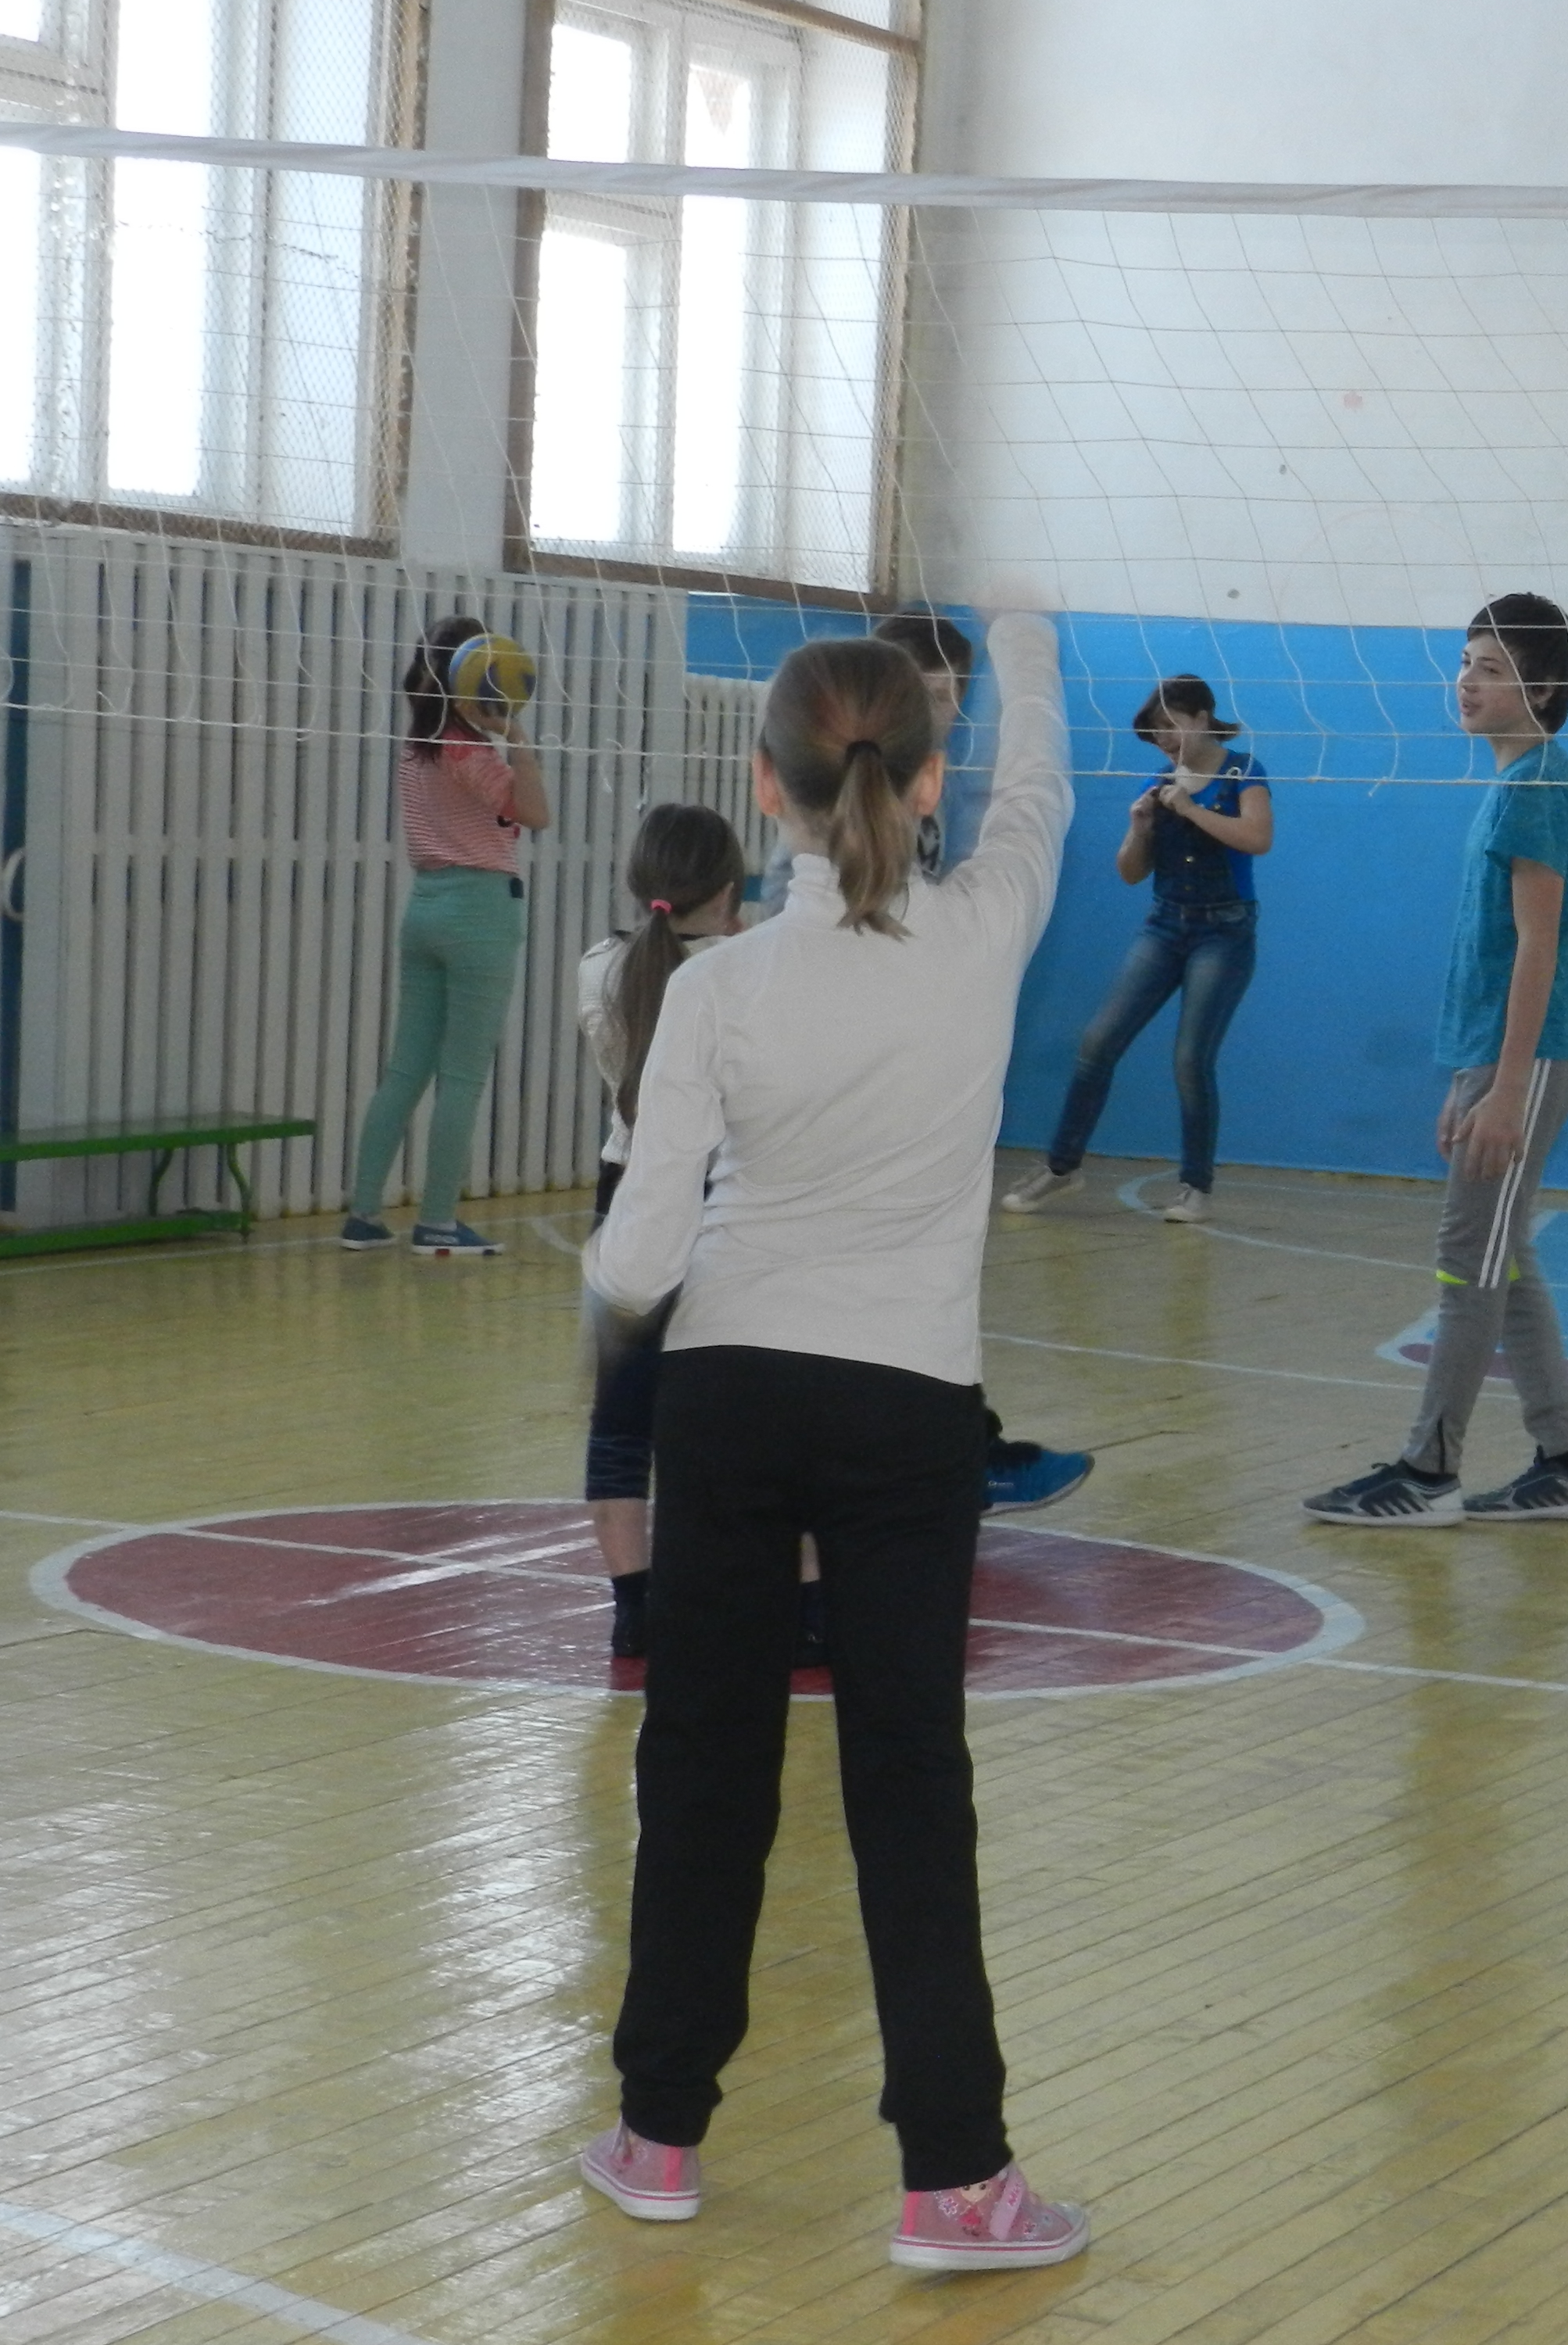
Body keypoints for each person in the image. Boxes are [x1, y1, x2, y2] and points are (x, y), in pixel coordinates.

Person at [577, 622, 1087, 2271]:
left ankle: (658, 2137)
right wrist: (1027, 639)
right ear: (928, 781)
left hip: (728, 1399)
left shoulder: (716, 987)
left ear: (763, 786)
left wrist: (610, 1308)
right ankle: (956, 2183)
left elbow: (641, 1263)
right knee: (908, 1779)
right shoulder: (985, 932)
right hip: (905, 1410)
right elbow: (1042, 794)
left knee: (702, 1765)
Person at [1303, 595, 1568, 1526]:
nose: (1466, 682)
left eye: (1490, 668)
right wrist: (1466, 1079)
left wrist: (1507, 1086)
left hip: (1532, 1054)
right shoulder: (1521, 780)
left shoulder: (1535, 789)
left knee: (1468, 1252)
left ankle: (1428, 1470)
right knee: (1500, 1249)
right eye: (1465, 663)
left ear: (1542, 688)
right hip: (1502, 1054)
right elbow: (1494, 953)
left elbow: (1538, 948)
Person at [875, 607, 1094, 1515]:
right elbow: (1035, 794)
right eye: (929, 692)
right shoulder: (862, 807)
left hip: (909, 1068)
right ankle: (955, 1456)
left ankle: (962, 1448)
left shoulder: (921, 802)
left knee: (915, 1277)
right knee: (906, 1276)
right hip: (883, 1076)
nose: (947, 709)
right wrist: (1027, 645)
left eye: (955, 693)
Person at [1001, 672, 1270, 1225]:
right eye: (1155, 732)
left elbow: (1257, 839)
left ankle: (1195, 1187)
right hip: (1164, 927)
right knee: (1097, 1043)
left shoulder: (1244, 772)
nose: (1164, 740)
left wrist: (1192, 810)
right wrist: (1139, 828)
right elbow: (1130, 873)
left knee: (1191, 1059)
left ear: (1201, 717)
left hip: (1224, 932)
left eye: (1171, 726)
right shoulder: (1157, 784)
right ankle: (1061, 1167)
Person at [575, 804, 746, 1662]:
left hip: (629, 1192)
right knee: (758, 1409)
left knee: (620, 1420)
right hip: (725, 1194)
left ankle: (633, 1609)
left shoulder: (600, 967)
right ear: (729, 888)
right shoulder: (744, 970)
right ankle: (801, 1605)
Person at [339, 616, 552, 1256]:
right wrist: (517, 737)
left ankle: (363, 1216)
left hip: (425, 908)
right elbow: (536, 814)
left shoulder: (417, 747)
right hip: (480, 912)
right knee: (462, 1076)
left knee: (405, 1069)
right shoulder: (471, 754)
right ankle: (436, 1221)